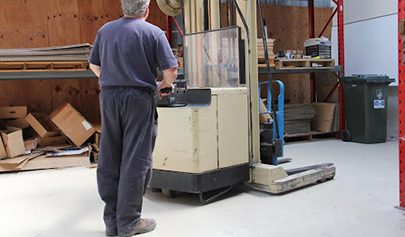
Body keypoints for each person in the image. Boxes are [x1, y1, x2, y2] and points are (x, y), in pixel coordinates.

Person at [88, 0, 178, 236]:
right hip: (138, 99)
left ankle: (112, 222)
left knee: (110, 155)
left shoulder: (105, 30)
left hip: (109, 97)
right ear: (146, 9)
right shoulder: (154, 33)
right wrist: (163, 85)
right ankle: (128, 221)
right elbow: (171, 71)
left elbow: (94, 64)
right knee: (136, 158)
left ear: (123, 8)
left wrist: (109, 78)